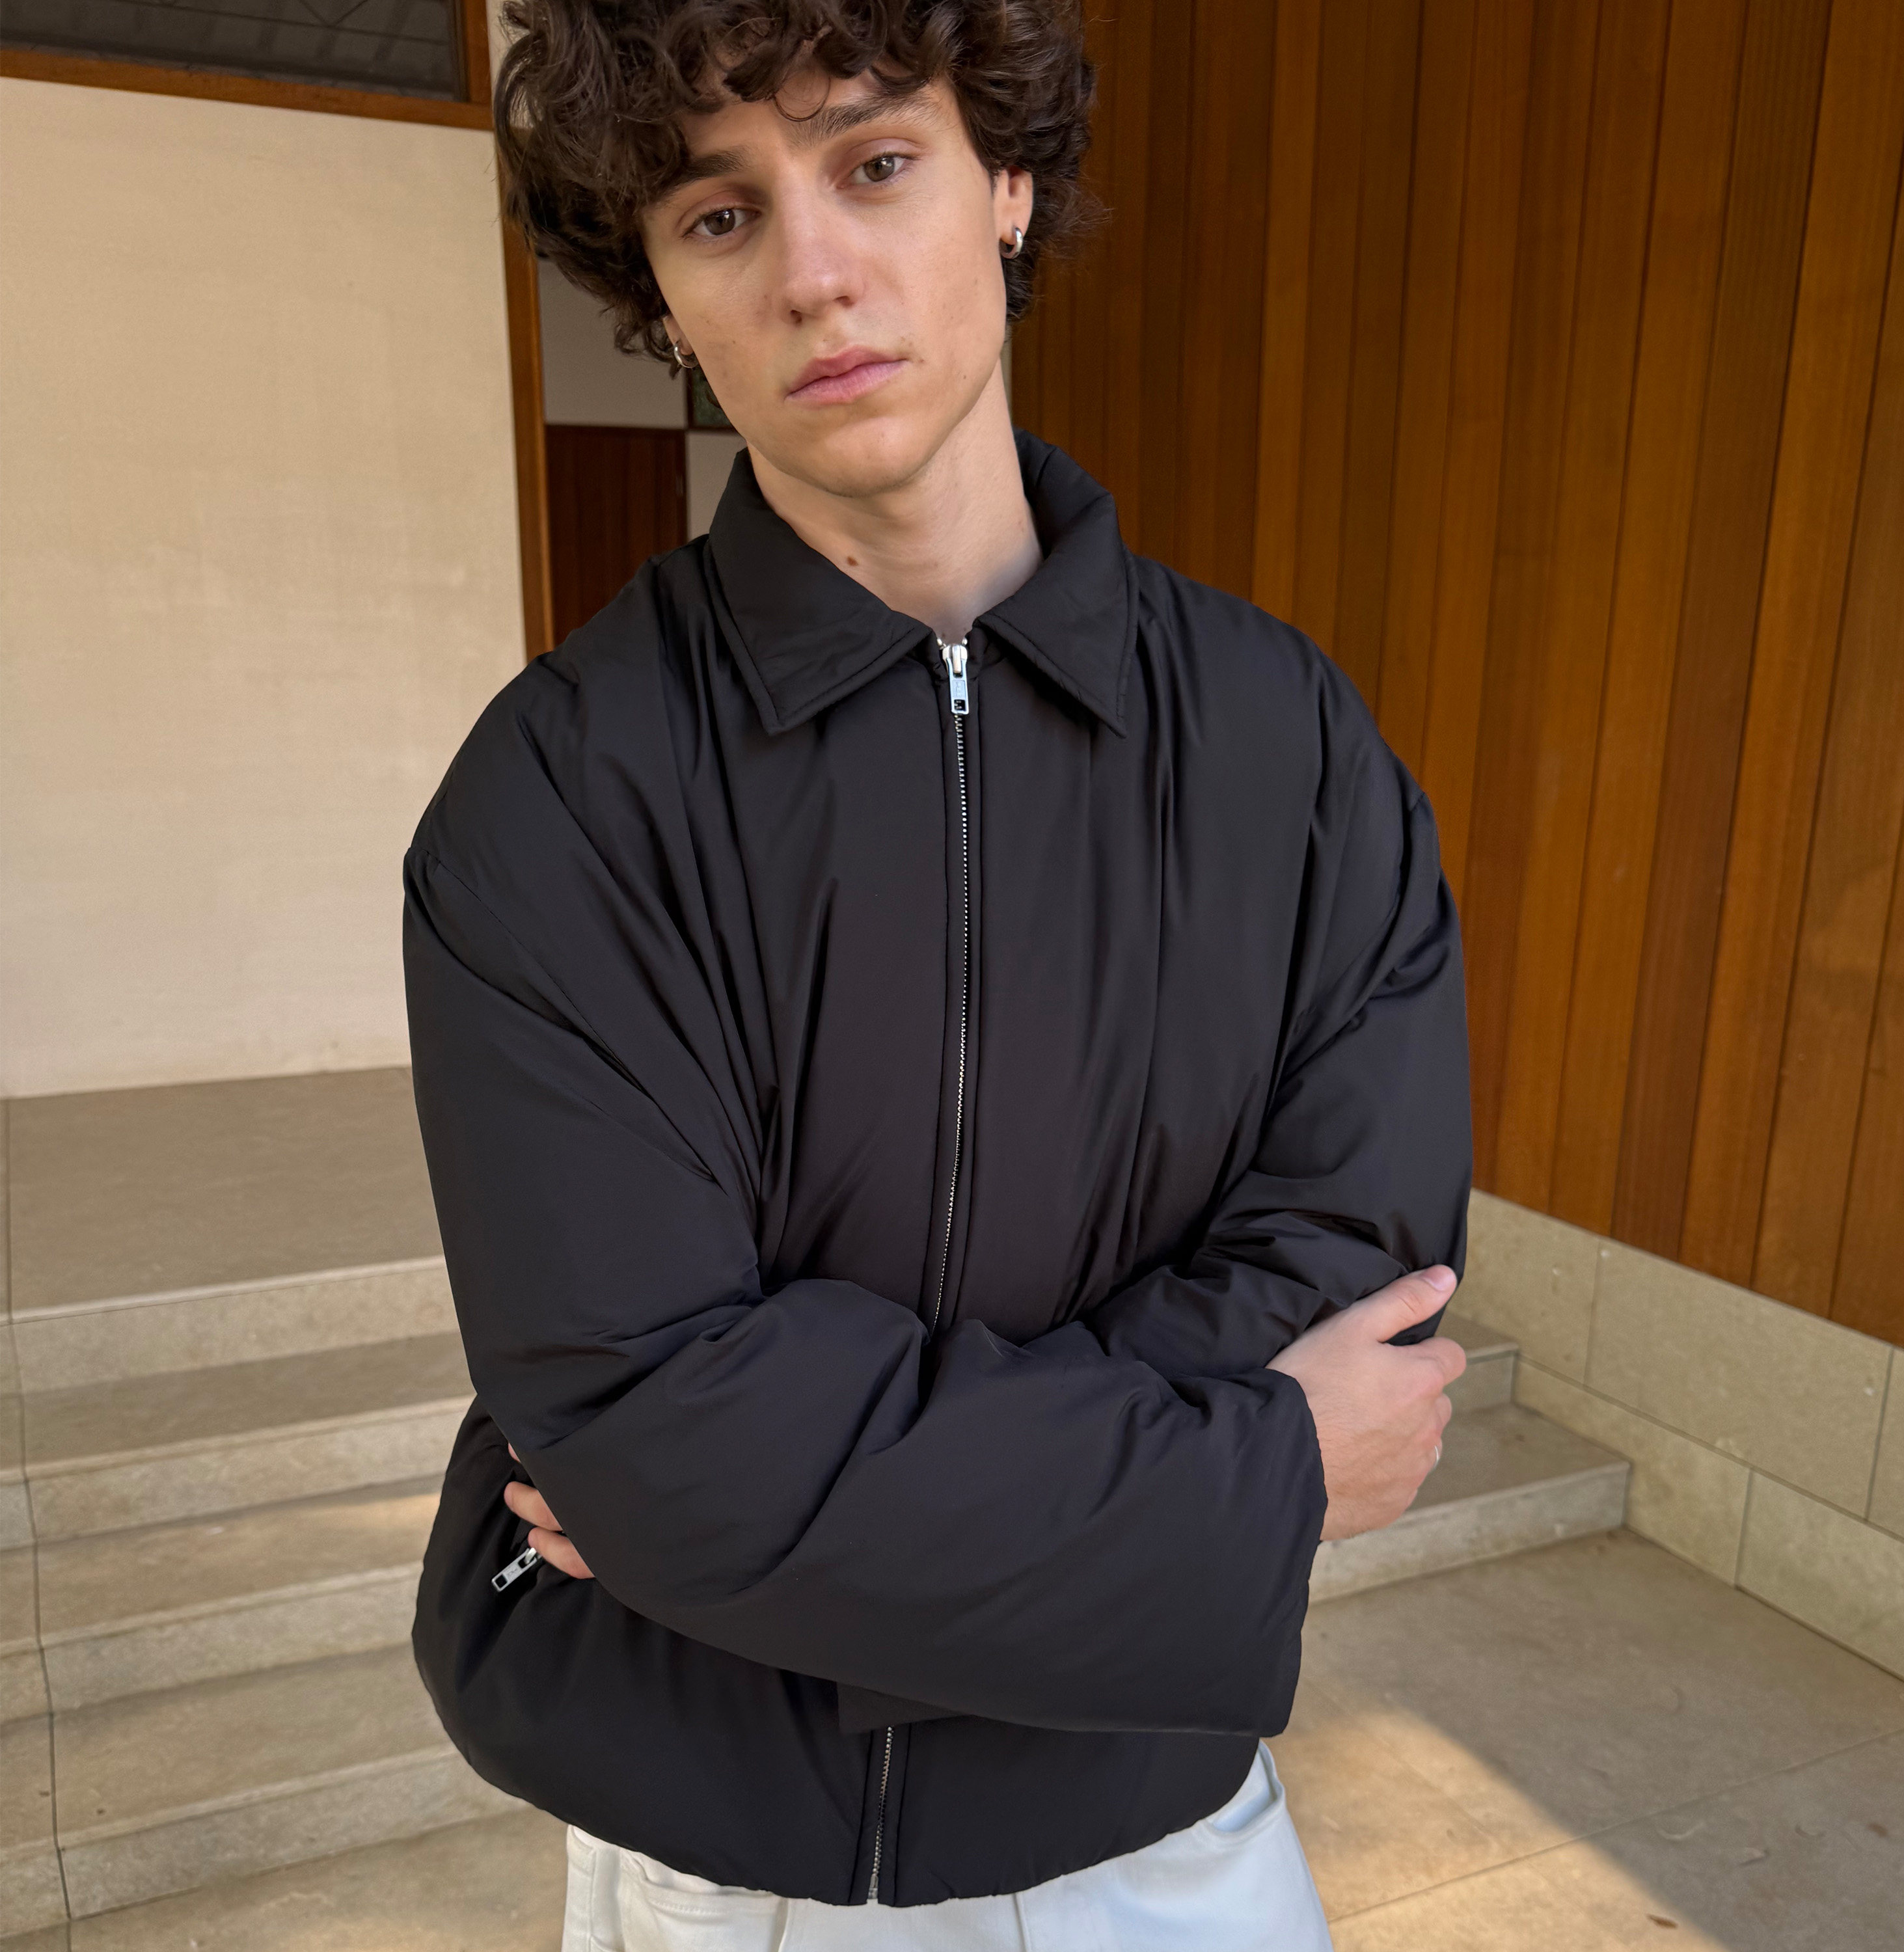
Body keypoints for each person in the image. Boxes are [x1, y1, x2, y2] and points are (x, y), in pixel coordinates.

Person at [402, 2, 1473, 1945]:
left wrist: (759, 1519)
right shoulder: (562, 791)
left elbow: (1349, 1276)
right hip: (718, 1869)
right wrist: (1252, 1474)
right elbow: (646, 1415)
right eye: (719, 215)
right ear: (661, 295)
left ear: (1009, 185)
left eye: (875, 163)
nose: (814, 272)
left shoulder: (1291, 748)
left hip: (1159, 1835)